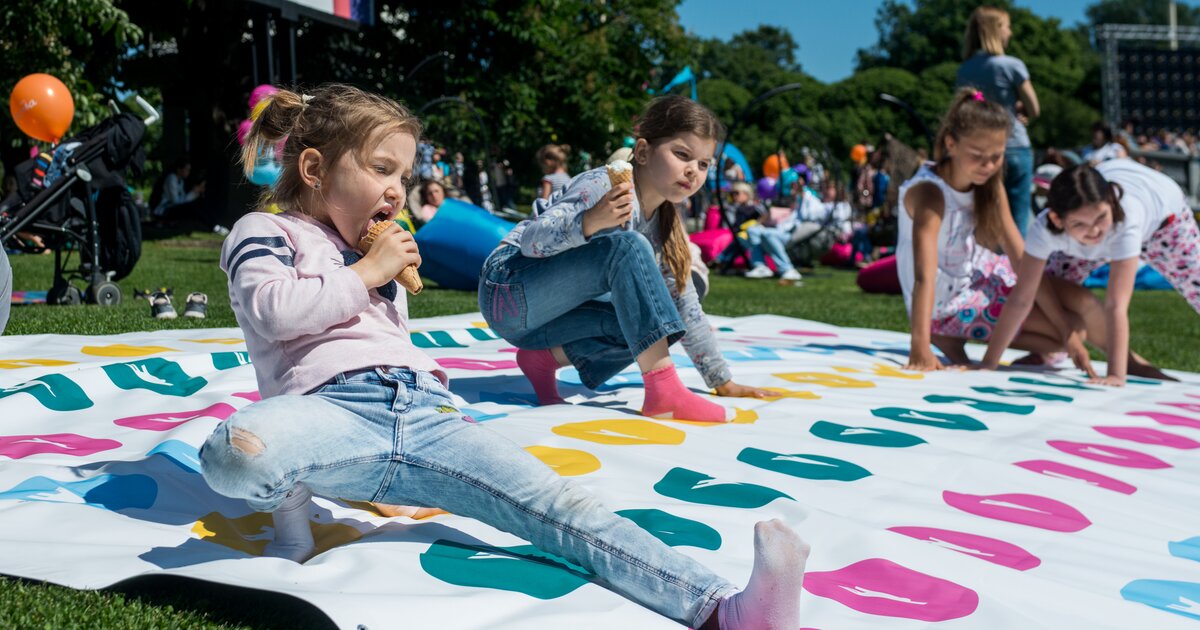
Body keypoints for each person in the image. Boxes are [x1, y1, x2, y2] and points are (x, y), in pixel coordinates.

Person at [200, 84, 808, 630]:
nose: (397, 189)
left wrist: (380, 275)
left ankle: (723, 608)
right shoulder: (265, 230)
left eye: (404, 175)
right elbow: (271, 312)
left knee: (561, 505)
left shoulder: (375, 248)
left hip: (425, 413)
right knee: (235, 453)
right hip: (330, 411)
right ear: (312, 168)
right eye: (381, 168)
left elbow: (384, 343)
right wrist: (366, 273)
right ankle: (294, 512)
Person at [479, 95, 775, 423]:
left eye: (704, 164)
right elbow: (532, 241)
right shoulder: (603, 185)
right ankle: (664, 391)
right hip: (507, 288)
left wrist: (722, 381)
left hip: (543, 324)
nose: (693, 170)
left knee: (651, 318)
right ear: (644, 152)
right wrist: (589, 221)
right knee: (628, 247)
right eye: (682, 154)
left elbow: (685, 305)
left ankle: (543, 359)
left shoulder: (666, 220)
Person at [898, 89, 1080, 371]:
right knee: (1060, 336)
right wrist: (919, 346)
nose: (988, 165)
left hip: (976, 278)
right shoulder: (930, 193)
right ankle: (944, 333)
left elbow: (1022, 259)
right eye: (978, 156)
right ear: (951, 144)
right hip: (944, 304)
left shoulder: (989, 187)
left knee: (1074, 323)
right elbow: (924, 275)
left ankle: (956, 336)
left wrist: (1067, 331)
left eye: (997, 157)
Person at [980, 160, 1192, 385]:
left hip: (1166, 223)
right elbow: (1022, 297)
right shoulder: (1044, 230)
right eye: (1080, 224)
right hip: (1100, 222)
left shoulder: (1125, 221)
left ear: (1110, 201)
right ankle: (1053, 351)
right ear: (1057, 220)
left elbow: (1116, 304)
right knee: (1055, 287)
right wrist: (989, 363)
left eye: (1100, 217)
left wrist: (1115, 375)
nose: (1094, 231)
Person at [956, 5, 1040, 237]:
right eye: (1007, 26)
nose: (1010, 33)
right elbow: (1034, 108)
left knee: (985, 220)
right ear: (995, 30)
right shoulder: (1011, 65)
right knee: (1018, 221)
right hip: (1014, 146)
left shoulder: (965, 69)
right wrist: (1018, 108)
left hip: (980, 150)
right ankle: (1016, 272)